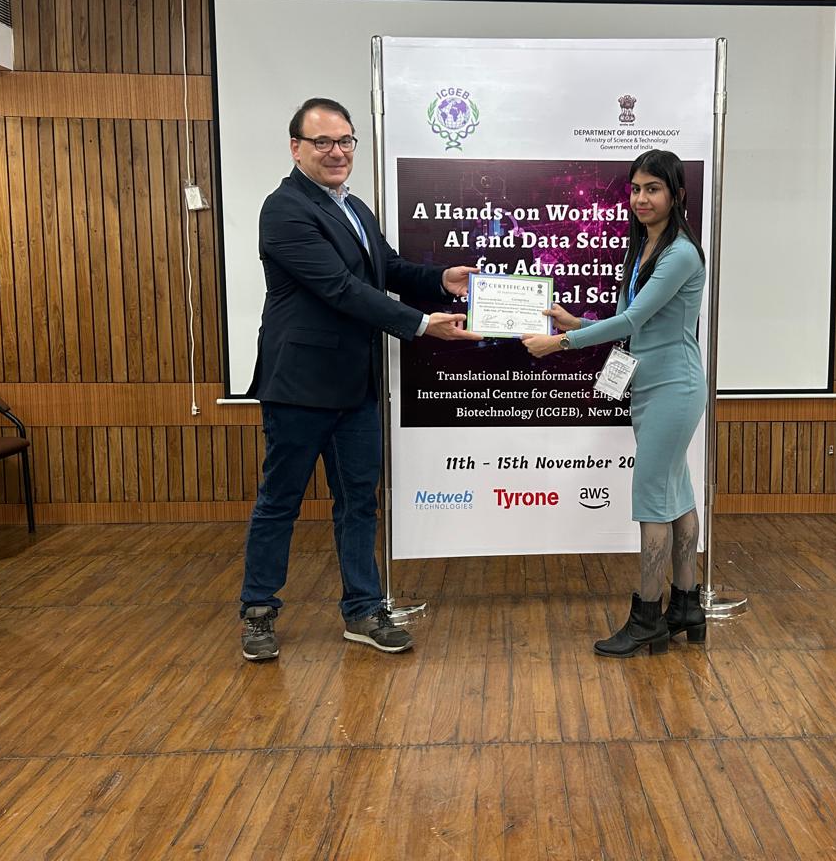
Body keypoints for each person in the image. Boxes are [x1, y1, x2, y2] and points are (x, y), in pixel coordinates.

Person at [239, 98, 480, 662]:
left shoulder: (353, 206)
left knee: (358, 504)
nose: (337, 152)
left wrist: (440, 279)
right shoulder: (284, 209)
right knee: (280, 501)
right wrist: (420, 324)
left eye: (345, 140)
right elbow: (340, 288)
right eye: (322, 142)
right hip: (299, 386)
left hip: (357, 385)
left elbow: (385, 269)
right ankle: (258, 610)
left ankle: (363, 610)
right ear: (295, 148)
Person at [522, 150, 707, 657]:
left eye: (653, 189)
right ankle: (686, 606)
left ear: (677, 195)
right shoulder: (643, 245)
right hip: (650, 385)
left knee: (652, 499)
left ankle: (648, 617)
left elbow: (630, 322)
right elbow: (632, 319)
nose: (641, 198)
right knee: (676, 493)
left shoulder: (680, 253)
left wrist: (559, 343)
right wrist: (575, 323)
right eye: (636, 189)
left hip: (674, 387)